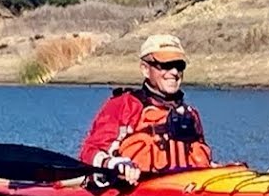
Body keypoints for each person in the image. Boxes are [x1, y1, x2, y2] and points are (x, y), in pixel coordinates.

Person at [78, 33, 216, 186]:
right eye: (166, 65)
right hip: (133, 191)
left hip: (186, 190)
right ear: (145, 69)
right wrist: (113, 164)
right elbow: (89, 152)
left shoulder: (190, 114)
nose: (174, 72)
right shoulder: (123, 105)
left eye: (179, 66)